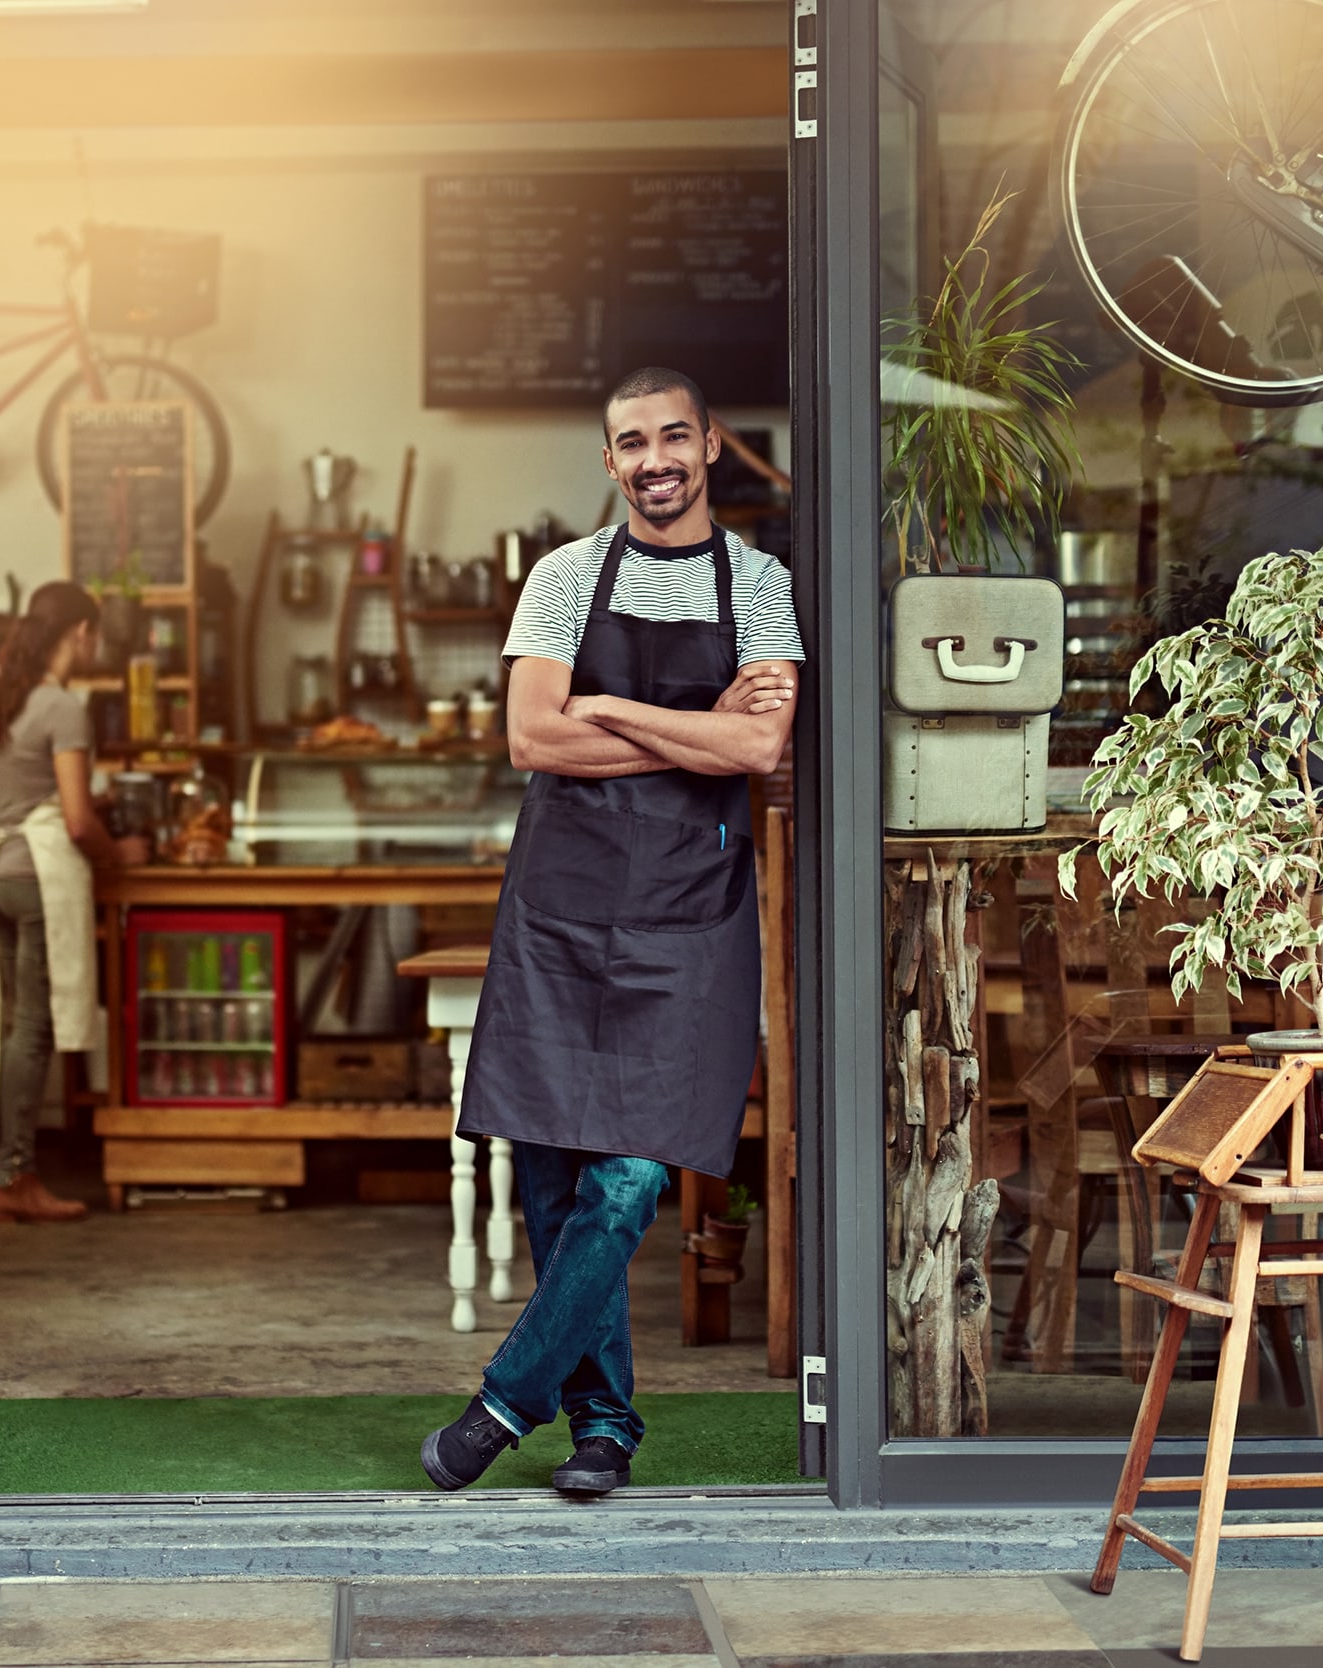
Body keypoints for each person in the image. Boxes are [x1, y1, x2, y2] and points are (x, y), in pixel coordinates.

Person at [422, 367, 802, 1495]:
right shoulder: (563, 579)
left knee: (631, 1175)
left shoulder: (762, 586)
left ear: (709, 445)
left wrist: (617, 709)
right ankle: (604, 1429)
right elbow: (533, 740)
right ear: (609, 461)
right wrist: (692, 728)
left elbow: (757, 755)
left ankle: (503, 1405)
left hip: (691, 919)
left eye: (673, 436)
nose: (654, 459)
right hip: (561, 906)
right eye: (630, 442)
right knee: (549, 1176)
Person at [0, 580, 119, 1225]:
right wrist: (122, 855)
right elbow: (77, 821)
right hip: (41, 877)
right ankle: (11, 1177)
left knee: (14, 1030)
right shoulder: (64, 708)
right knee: (33, 1030)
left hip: (0, 871)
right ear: (80, 634)